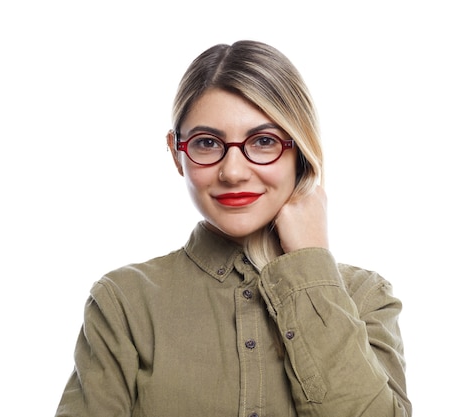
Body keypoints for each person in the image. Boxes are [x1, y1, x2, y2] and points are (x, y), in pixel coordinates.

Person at [55, 40, 411, 417]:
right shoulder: (123, 302)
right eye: (207, 143)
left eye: (263, 141)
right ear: (177, 153)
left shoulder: (364, 297)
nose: (233, 172)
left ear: (301, 153)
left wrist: (310, 266)